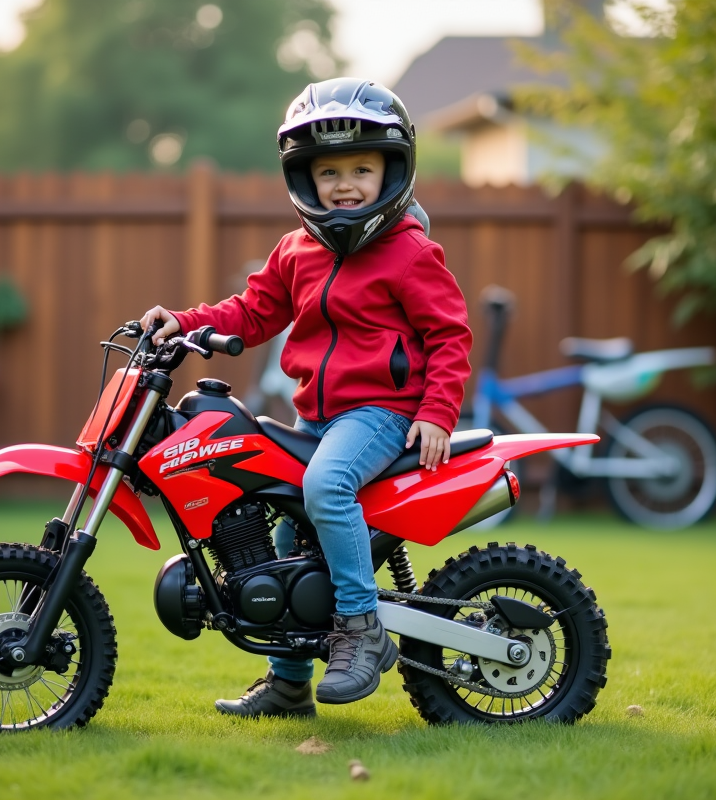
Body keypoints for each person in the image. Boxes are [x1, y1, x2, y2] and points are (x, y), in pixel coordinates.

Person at [140, 77, 472, 717]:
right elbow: (253, 312)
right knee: (284, 531)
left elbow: (450, 334)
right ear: (304, 178)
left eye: (360, 168)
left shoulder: (408, 251)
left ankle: (360, 626)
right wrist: (184, 323)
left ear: (391, 171)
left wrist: (436, 413)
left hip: (380, 413)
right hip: (314, 414)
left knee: (325, 487)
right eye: (329, 171)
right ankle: (289, 682)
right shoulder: (298, 250)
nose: (344, 183)